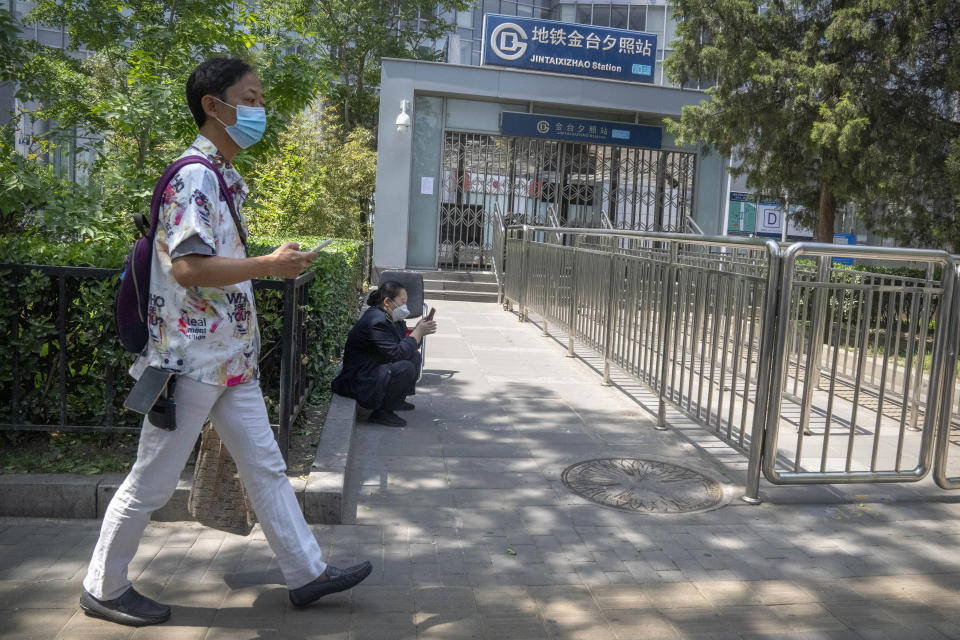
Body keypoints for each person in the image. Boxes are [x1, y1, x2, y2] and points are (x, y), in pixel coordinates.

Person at [79, 58, 371, 628]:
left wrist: (270, 263)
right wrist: (271, 265)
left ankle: (307, 574)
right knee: (152, 481)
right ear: (215, 107)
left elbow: (211, 265)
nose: (261, 110)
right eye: (252, 98)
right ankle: (103, 586)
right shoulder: (195, 176)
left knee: (264, 466)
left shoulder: (218, 177)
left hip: (226, 361)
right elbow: (188, 268)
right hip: (189, 363)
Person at [332, 281, 437, 427]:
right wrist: (417, 333)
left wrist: (418, 330)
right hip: (358, 379)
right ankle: (381, 412)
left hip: (373, 366)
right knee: (404, 367)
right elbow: (396, 353)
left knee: (414, 357)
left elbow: (404, 345)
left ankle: (396, 401)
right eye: (402, 302)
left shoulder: (392, 318)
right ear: (387, 302)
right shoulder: (376, 321)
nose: (405, 307)